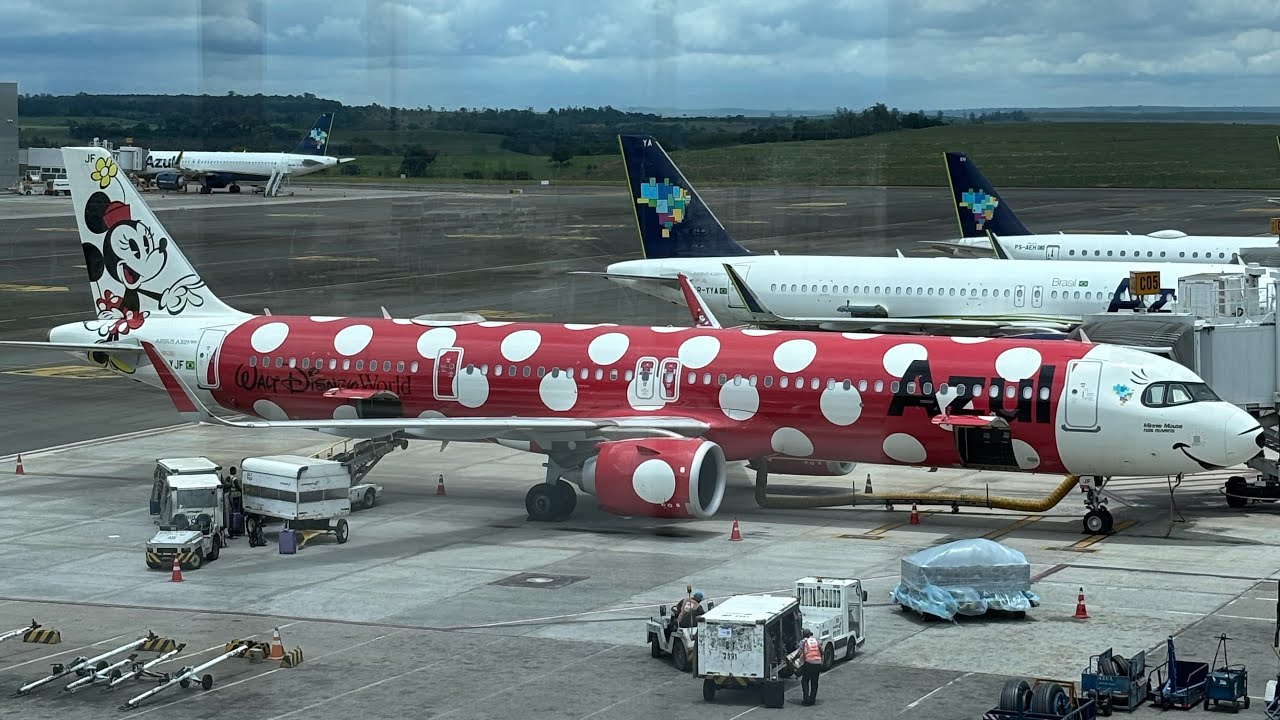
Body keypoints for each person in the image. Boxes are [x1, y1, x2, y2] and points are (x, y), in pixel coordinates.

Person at [798, 628, 823, 705]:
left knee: (805, 681)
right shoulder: (815, 641)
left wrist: (793, 659)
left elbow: (799, 653)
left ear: (803, 635)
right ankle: (812, 700)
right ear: (810, 635)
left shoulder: (803, 642)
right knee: (814, 682)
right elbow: (822, 651)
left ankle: (806, 699)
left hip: (809, 663)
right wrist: (821, 662)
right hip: (817, 663)